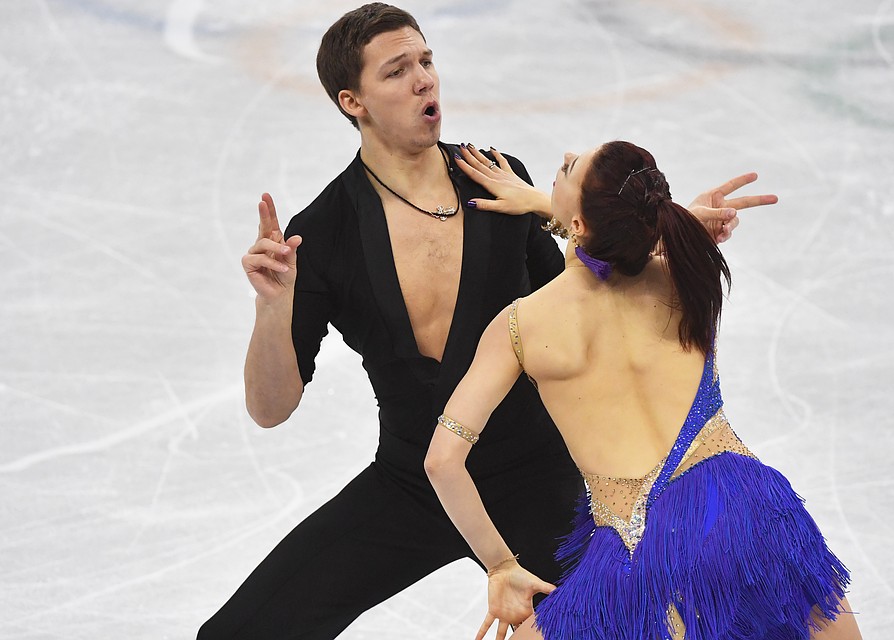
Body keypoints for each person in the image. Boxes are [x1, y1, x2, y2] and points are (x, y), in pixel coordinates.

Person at [199, 4, 777, 638]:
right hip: (413, 482)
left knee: (653, 624)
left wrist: (668, 234)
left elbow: (589, 297)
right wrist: (273, 308)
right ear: (352, 102)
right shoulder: (324, 233)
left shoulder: (497, 184)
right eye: (396, 71)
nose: (423, 79)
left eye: (425, 61)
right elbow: (270, 408)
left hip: (540, 480)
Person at [424, 142, 861, 640]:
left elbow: (441, 461)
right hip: (742, 511)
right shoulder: (685, 270)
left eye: (568, 168)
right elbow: (624, 240)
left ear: (581, 224)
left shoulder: (520, 327)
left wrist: (501, 566)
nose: (565, 156)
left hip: (637, 553)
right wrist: (562, 211)